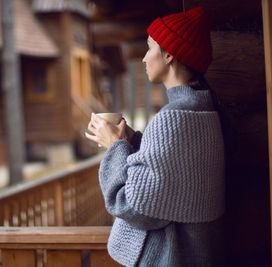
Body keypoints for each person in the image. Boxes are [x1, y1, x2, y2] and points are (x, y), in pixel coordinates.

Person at [85, 6, 225, 267]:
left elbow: (131, 205)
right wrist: (134, 142)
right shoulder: (205, 111)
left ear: (169, 54)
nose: (144, 58)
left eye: (150, 48)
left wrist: (115, 146)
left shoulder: (172, 117)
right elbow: (174, 176)